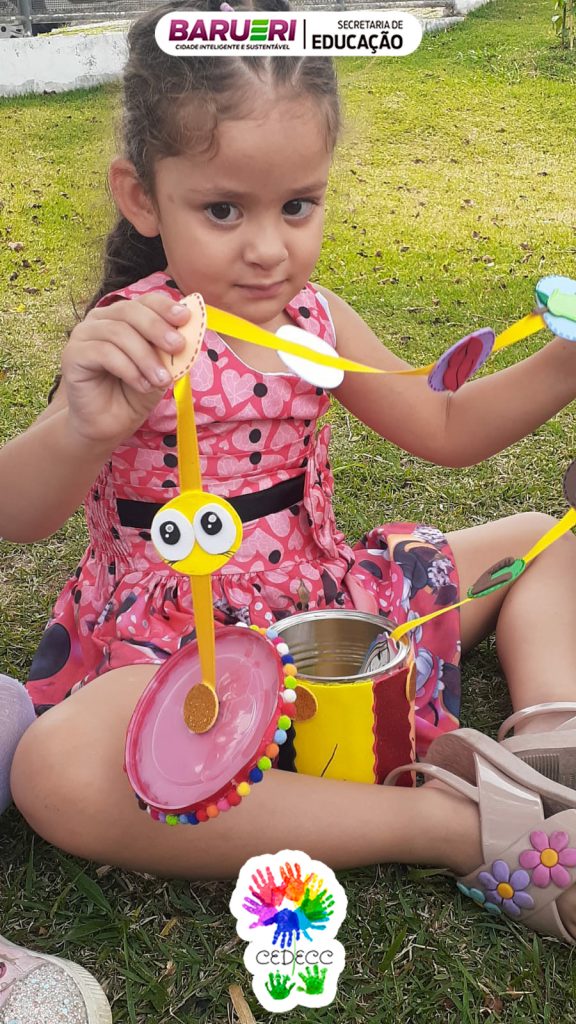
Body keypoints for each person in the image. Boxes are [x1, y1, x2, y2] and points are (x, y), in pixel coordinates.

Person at [2, 0, 576, 952]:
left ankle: (551, 740)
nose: (269, 248)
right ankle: (454, 824)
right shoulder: (132, 337)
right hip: (180, 653)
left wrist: (565, 360)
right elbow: (20, 512)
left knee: (544, 542)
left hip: (327, 616)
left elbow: (444, 426)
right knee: (54, 770)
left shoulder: (317, 320)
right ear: (143, 197)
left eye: (297, 205)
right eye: (223, 210)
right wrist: (82, 423)